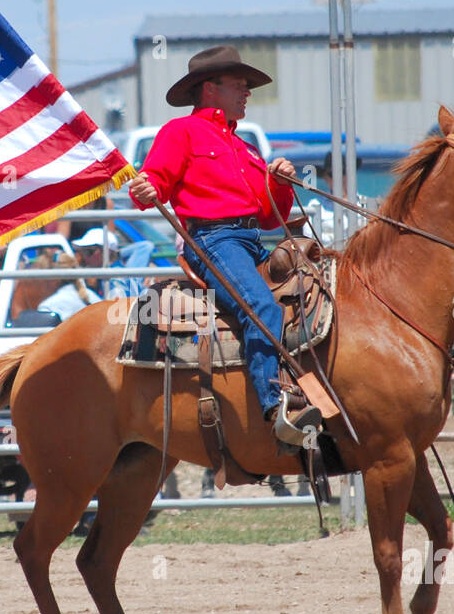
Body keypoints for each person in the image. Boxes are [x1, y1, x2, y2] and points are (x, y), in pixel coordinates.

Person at [127, 45, 317, 444]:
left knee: (311, 290)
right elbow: (155, 182)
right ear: (210, 89)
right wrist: (146, 188)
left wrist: (279, 185)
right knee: (261, 306)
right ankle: (276, 403)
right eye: (239, 85)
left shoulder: (244, 146)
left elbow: (268, 216)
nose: (246, 93)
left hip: (252, 239)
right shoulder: (180, 132)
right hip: (213, 240)